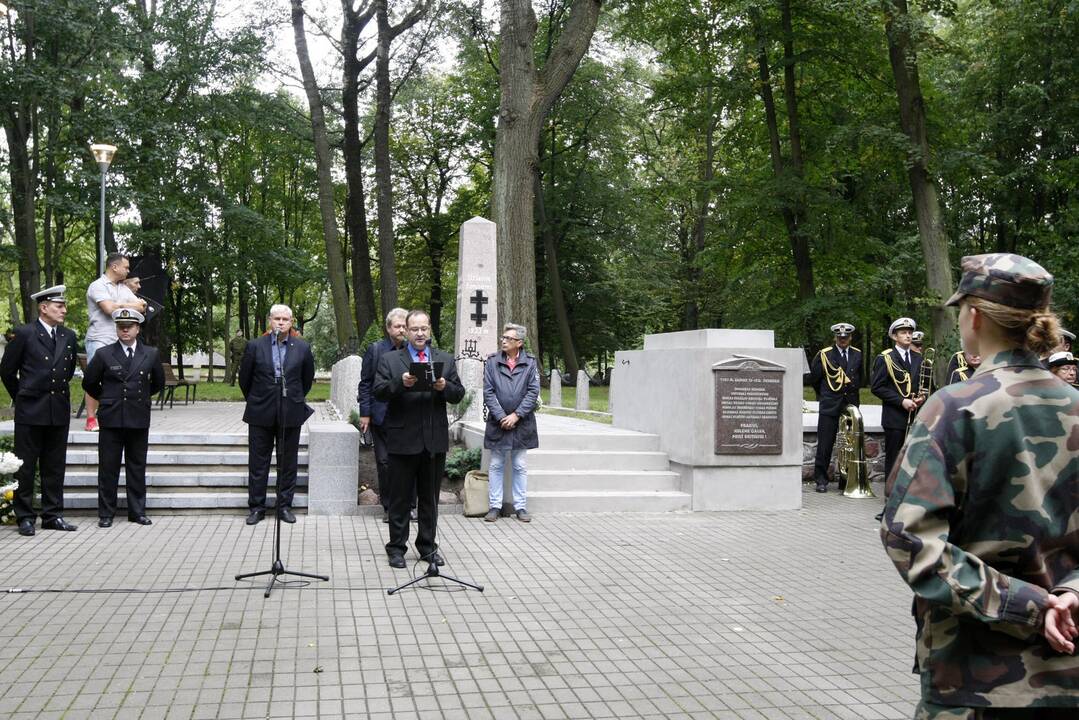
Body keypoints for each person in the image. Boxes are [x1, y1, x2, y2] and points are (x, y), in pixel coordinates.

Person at [880, 253, 1079, 718]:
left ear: (973, 316)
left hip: (972, 682)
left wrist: (1028, 604)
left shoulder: (954, 408)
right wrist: (1070, 595)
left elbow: (909, 538)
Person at [373, 309, 464, 568]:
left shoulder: (444, 359)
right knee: (400, 499)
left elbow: (459, 394)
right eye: (414, 329)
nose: (420, 333)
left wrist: (445, 386)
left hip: (433, 442)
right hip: (402, 440)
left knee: (429, 500)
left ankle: (427, 546)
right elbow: (379, 392)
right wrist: (401, 383)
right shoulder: (390, 360)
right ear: (406, 331)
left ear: (429, 330)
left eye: (424, 328)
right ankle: (396, 548)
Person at [0, 286, 79, 535]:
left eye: (64, 306)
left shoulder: (68, 336)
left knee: (54, 465)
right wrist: (23, 396)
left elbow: (67, 372)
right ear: (44, 308)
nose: (64, 310)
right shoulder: (25, 334)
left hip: (57, 408)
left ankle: (52, 515)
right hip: (31, 410)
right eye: (59, 306)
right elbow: (7, 371)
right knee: (26, 464)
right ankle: (25, 516)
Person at [82, 309, 165, 527]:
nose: (125, 330)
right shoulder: (104, 354)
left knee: (136, 466)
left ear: (138, 329)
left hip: (138, 417)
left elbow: (158, 383)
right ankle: (106, 514)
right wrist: (108, 398)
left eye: (129, 326)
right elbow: (89, 383)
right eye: (121, 326)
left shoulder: (150, 353)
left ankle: (137, 512)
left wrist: (142, 398)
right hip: (111, 418)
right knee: (108, 467)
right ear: (116, 329)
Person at [238, 305, 315, 525]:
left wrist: (293, 397)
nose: (281, 323)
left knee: (288, 462)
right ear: (269, 320)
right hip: (260, 411)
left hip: (290, 410)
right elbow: (245, 379)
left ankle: (284, 506)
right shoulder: (255, 345)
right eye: (277, 318)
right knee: (258, 462)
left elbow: (306, 380)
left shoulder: (302, 347)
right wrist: (258, 398)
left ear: (291, 323)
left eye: (285, 319)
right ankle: (257, 507)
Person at [357, 308, 416, 523]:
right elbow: (365, 383)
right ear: (388, 328)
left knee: (410, 462)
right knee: (385, 463)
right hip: (382, 416)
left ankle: (410, 506)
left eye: (404, 326)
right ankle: (389, 507)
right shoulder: (376, 350)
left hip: (409, 416)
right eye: (397, 326)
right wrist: (365, 414)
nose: (401, 330)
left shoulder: (416, 350)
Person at [482, 323, 540, 522]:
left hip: (522, 423)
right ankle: (495, 506)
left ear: (519, 343)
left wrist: (516, 415)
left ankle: (521, 507)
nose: (503, 341)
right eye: (503, 338)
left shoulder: (530, 363)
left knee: (519, 465)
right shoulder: (492, 362)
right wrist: (501, 416)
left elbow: (533, 392)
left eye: (508, 338)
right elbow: (488, 392)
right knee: (497, 464)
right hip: (498, 422)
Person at [85, 253, 147, 432]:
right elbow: (108, 309)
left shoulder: (123, 288)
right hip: (100, 337)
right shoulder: (97, 286)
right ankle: (91, 418)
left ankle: (112, 414)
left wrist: (120, 305)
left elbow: (141, 308)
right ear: (114, 267)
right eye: (126, 267)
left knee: (119, 377)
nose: (128, 271)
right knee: (94, 377)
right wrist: (128, 306)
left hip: (118, 339)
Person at [804, 322, 862, 493]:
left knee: (849, 444)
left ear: (850, 337)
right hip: (830, 404)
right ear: (835, 337)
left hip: (850, 405)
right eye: (839, 337)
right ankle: (821, 480)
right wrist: (825, 396)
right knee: (825, 444)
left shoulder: (857, 354)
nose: (842, 339)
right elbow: (815, 380)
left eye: (845, 337)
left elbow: (859, 378)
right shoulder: (824, 355)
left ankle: (846, 481)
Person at [871, 317, 925, 485]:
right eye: (903, 333)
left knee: (914, 456)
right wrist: (901, 401)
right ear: (894, 337)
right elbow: (877, 387)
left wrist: (923, 397)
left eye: (910, 333)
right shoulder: (885, 358)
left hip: (915, 415)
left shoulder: (919, 358)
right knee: (894, 457)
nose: (908, 336)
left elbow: (926, 385)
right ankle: (891, 493)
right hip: (894, 416)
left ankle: (908, 491)